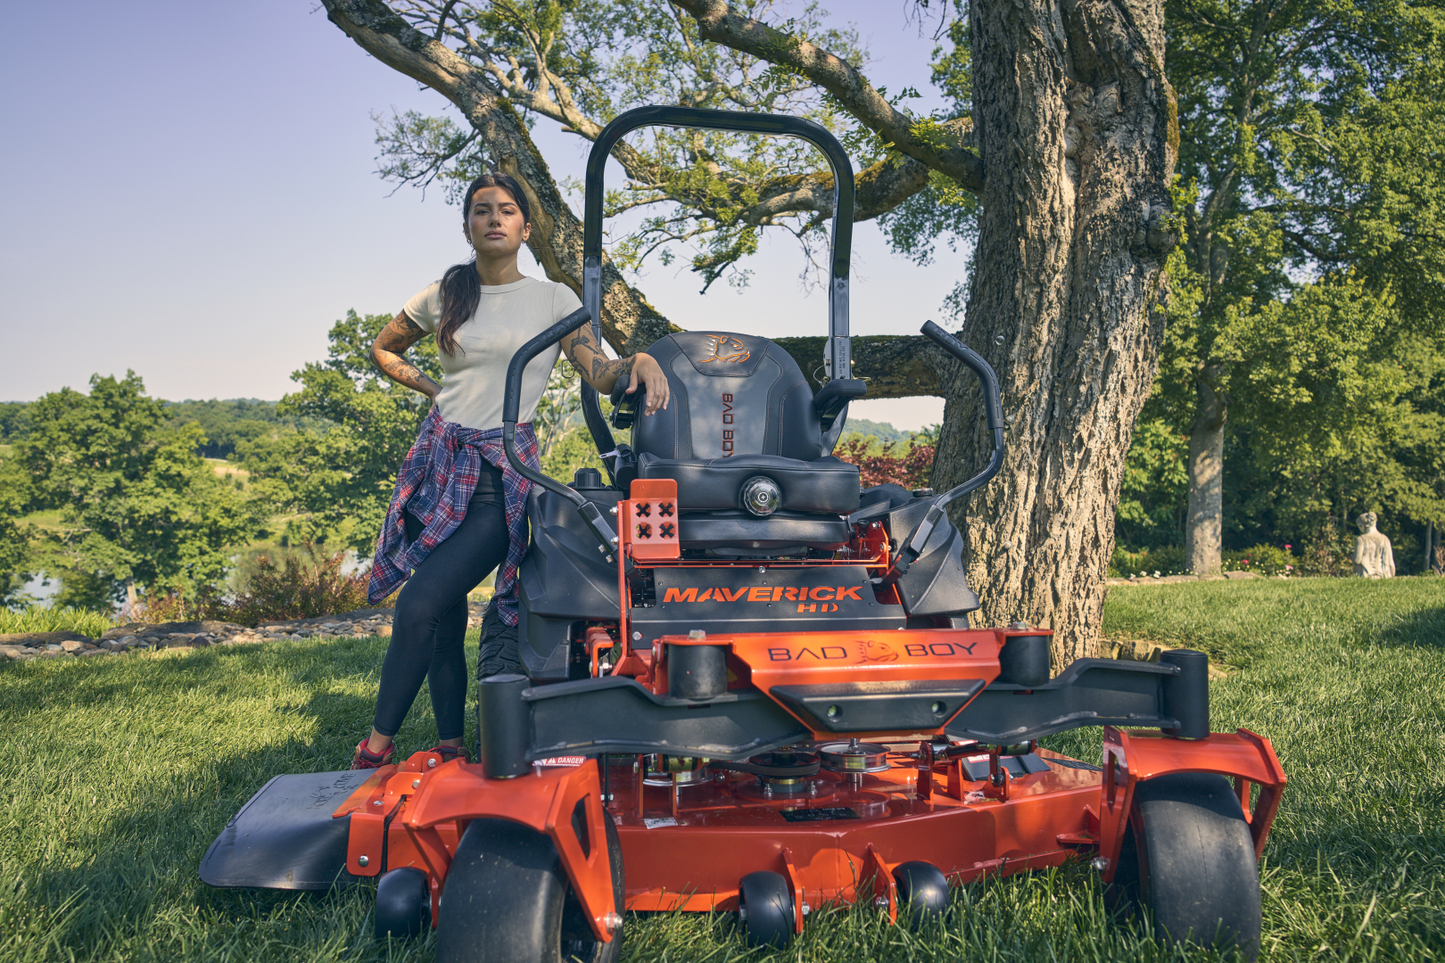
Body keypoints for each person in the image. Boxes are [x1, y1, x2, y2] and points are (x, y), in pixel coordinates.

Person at [351, 171, 670, 769]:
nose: (493, 219)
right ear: (467, 225)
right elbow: (382, 348)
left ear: (525, 226)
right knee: (442, 621)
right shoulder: (444, 294)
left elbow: (596, 370)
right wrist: (431, 390)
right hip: (438, 464)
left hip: (499, 481)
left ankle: (373, 750)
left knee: (416, 605)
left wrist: (638, 359)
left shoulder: (553, 300)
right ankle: (450, 748)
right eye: (480, 210)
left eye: (505, 210)